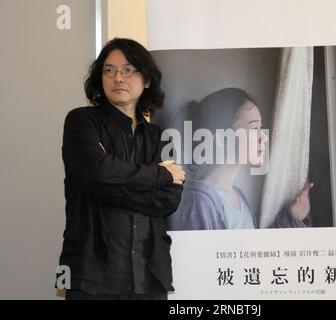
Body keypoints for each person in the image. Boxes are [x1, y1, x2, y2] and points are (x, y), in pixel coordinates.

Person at [57, 38, 185, 300]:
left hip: (149, 276)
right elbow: (98, 174)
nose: (118, 78)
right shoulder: (81, 121)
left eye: (128, 70)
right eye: (109, 70)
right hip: (90, 275)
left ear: (146, 80)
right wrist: (160, 174)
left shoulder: (160, 137)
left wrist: (111, 181)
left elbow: (168, 199)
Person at [168, 88, 313, 230]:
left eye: (260, 128)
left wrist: (292, 216)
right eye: (254, 128)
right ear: (222, 139)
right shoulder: (199, 202)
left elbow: (253, 251)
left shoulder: (238, 197)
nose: (264, 137)